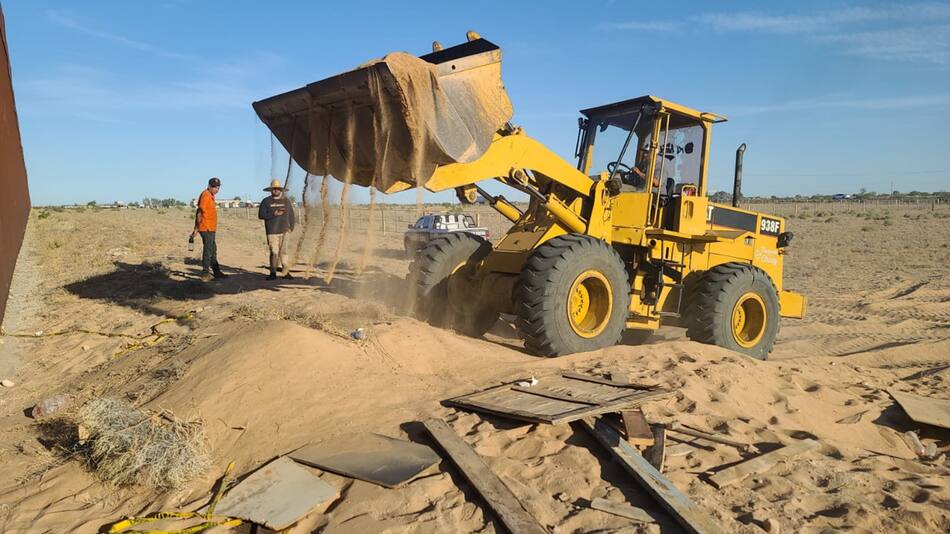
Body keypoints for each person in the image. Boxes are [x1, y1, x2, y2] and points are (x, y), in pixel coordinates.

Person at [258, 179, 295, 280]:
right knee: (274, 252)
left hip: (284, 231)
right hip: (272, 232)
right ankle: (273, 273)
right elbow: (261, 215)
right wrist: (273, 214)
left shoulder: (286, 201)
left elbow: (291, 215)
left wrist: (291, 227)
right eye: (274, 189)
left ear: (281, 190)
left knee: (284, 252)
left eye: (278, 189)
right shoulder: (266, 201)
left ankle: (286, 272)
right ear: (271, 190)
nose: (276, 190)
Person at [192, 177, 227, 281]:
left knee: (213, 249)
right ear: (209, 186)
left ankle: (216, 272)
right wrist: (196, 228)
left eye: (218, 187)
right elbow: (199, 212)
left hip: (211, 228)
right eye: (215, 187)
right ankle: (205, 273)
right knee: (208, 251)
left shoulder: (211, 196)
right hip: (205, 227)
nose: (217, 189)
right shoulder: (205, 195)